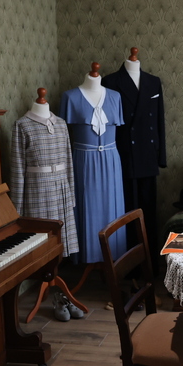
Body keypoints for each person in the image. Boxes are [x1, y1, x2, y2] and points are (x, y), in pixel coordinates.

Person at [102, 48, 166, 267]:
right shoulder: (110, 82)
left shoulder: (153, 82)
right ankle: (128, 267)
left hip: (148, 155)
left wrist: (161, 156)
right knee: (126, 213)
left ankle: (149, 266)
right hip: (123, 156)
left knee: (148, 212)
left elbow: (159, 121)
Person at [60, 63, 126, 264]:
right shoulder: (70, 97)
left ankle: (114, 258)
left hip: (111, 160)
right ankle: (88, 257)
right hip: (84, 160)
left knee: (112, 208)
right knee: (86, 206)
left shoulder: (115, 97)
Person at [10, 87, 79, 258]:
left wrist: (71, 195)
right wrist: (16, 208)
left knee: (60, 239)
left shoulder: (61, 124)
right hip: (38, 189)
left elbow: (68, 161)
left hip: (61, 187)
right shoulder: (22, 125)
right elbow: (17, 168)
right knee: (41, 242)